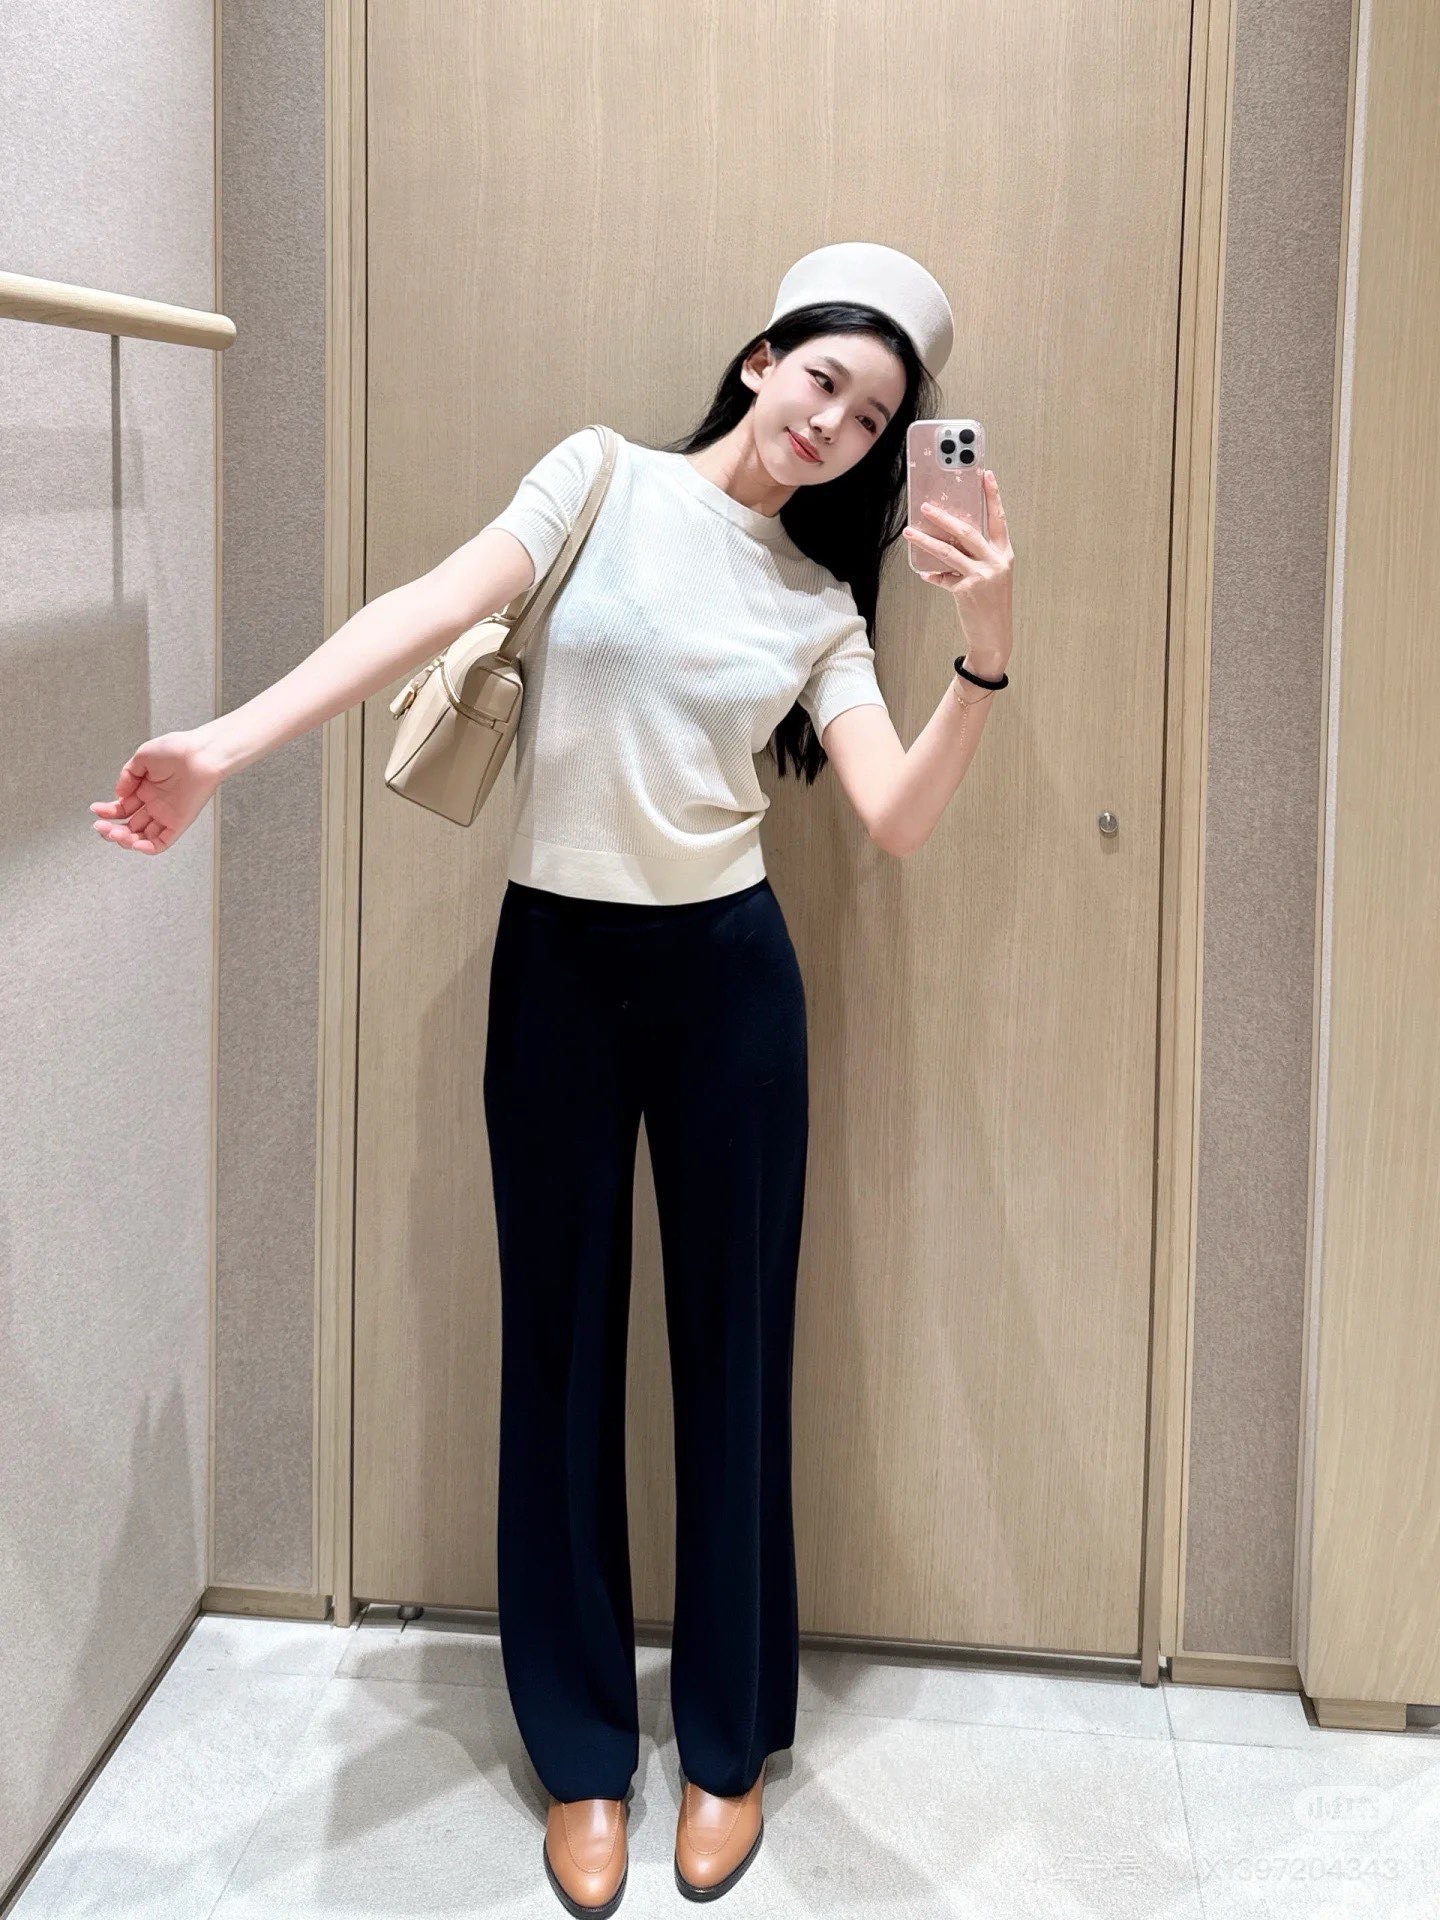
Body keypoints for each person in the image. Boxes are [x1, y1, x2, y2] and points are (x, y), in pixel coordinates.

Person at [89, 241, 1016, 1916]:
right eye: (825, 380)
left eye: (876, 417)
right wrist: (221, 745)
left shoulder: (817, 604)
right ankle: (586, 1752)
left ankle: (726, 1742)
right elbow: (425, 609)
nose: (838, 425)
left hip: (731, 985)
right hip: (560, 975)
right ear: (762, 359)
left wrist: (987, 644)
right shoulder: (599, 479)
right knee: (560, 1350)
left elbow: (893, 814)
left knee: (735, 1360)